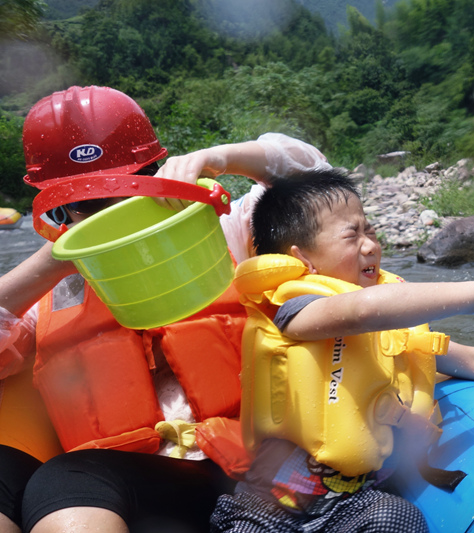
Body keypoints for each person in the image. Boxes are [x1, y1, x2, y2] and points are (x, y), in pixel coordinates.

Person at [0, 85, 331, 533]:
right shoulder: (51, 292)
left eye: (128, 189)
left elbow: (317, 178)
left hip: (242, 470)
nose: (112, 212)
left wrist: (219, 158)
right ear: (59, 211)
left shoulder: (226, 232)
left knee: (67, 479)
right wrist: (51, 264)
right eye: (87, 203)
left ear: (156, 176)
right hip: (117, 479)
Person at [209, 169, 474, 532]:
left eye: (371, 230)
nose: (370, 245)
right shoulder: (295, 311)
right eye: (352, 235)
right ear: (303, 259)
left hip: (352, 503)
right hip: (268, 506)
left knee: (400, 517)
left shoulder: (392, 324)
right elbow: (360, 311)